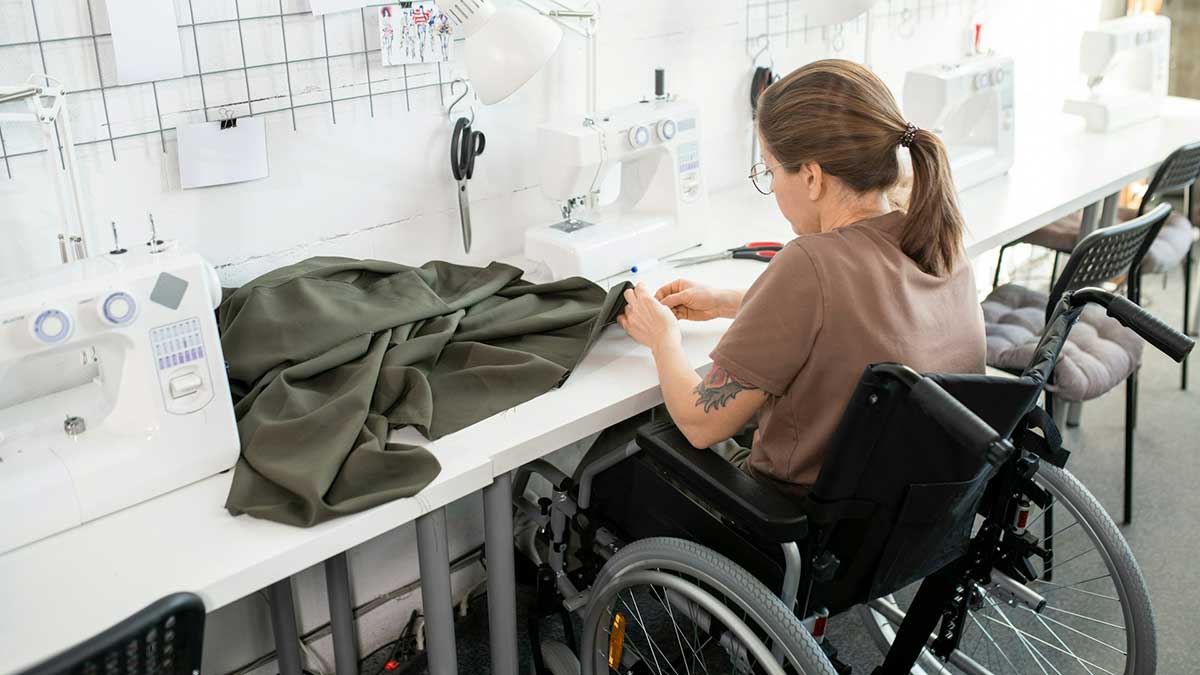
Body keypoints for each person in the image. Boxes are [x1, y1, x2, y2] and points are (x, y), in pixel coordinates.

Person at [616, 59, 986, 495]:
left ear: (811, 177)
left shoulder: (810, 263)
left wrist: (663, 339)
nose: (771, 186)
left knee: (616, 458)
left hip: (790, 528)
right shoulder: (937, 235)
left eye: (770, 171)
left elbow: (701, 422)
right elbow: (859, 315)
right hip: (910, 515)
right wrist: (731, 302)